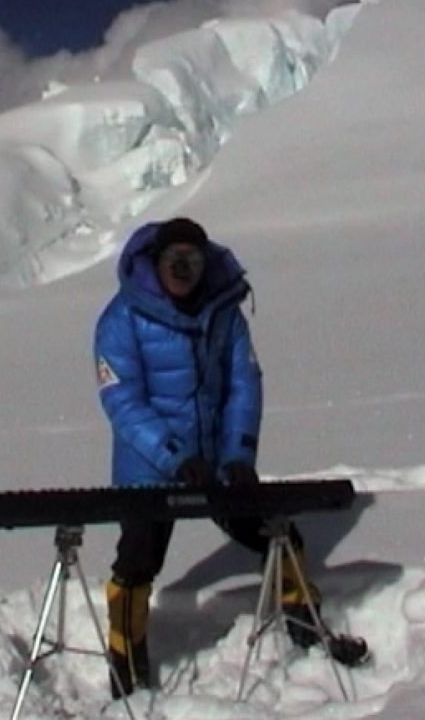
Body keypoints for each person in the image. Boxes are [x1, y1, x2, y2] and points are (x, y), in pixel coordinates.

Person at [93, 218, 358, 698]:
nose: (182, 269)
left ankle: (304, 624)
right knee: (137, 561)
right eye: (173, 259)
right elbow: (122, 404)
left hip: (216, 464)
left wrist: (238, 453)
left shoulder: (225, 313)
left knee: (278, 533)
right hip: (149, 469)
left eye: (191, 260)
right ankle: (125, 655)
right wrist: (174, 457)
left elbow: (244, 383)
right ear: (156, 262)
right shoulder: (121, 320)